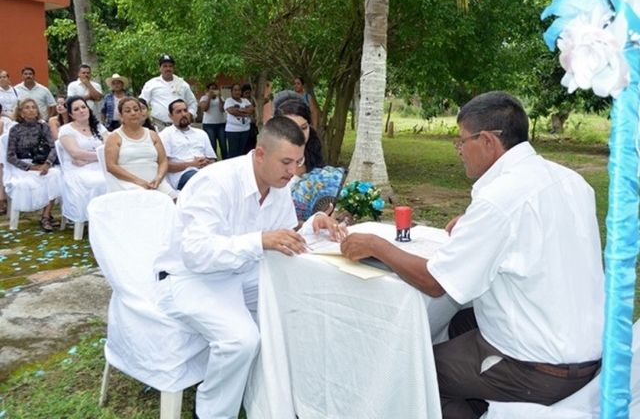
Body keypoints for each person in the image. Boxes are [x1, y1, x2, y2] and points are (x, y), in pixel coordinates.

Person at [340, 91, 604, 419]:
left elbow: (436, 283)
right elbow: (537, 237)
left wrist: (376, 245)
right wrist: (475, 227)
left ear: (489, 141)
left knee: (413, 373)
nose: (459, 151)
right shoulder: (572, 181)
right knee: (457, 321)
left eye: (462, 141)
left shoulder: (499, 199)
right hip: (589, 347)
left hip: (539, 366)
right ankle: (480, 402)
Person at [154, 116, 345, 419]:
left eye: (297, 161)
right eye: (286, 162)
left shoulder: (278, 184)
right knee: (240, 340)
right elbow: (196, 253)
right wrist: (259, 241)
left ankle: (276, 400)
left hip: (244, 273)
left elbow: (280, 236)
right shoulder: (214, 182)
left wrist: (311, 227)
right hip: (189, 278)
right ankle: (214, 414)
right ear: (259, 154)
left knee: (299, 311)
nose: (293, 171)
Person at [6, 98, 62, 231]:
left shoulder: (43, 127)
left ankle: (46, 215)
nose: (31, 110)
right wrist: (30, 168)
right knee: (26, 183)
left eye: (33, 107)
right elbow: (10, 156)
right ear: (21, 112)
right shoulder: (15, 129)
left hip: (42, 163)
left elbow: (54, 147)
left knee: (56, 175)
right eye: (27, 107)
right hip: (24, 166)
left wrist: (47, 164)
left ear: (37, 111)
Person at [104, 97, 176, 199]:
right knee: (144, 199)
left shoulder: (152, 134)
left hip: (155, 182)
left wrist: (159, 178)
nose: (133, 113)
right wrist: (139, 182)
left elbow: (163, 161)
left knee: (174, 201)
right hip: (127, 183)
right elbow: (111, 166)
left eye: (136, 109)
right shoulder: (114, 137)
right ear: (121, 116)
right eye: (128, 111)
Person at [58, 96, 108, 222]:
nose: (81, 110)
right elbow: (75, 153)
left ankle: (110, 217)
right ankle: (96, 217)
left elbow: (109, 148)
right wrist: (99, 154)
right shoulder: (66, 130)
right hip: (77, 170)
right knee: (98, 181)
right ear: (71, 114)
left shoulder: (99, 127)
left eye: (83, 107)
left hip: (100, 165)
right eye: (76, 109)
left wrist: (87, 157)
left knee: (115, 178)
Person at [159, 99, 216, 191]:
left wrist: (206, 162)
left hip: (205, 171)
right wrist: (192, 164)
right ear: (171, 116)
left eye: (185, 110)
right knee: (202, 182)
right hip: (182, 175)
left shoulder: (201, 133)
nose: (183, 114)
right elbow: (165, 165)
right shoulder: (165, 135)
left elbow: (212, 159)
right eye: (178, 112)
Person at [139, 54, 197, 131]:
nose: (168, 68)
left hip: (180, 126)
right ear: (160, 68)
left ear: (173, 68)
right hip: (159, 126)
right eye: (165, 66)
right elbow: (142, 103)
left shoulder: (182, 84)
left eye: (170, 66)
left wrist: (190, 114)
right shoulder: (151, 84)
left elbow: (192, 102)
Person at [224, 83, 254, 158]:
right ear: (231, 92)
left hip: (245, 130)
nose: (237, 92)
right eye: (235, 90)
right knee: (233, 154)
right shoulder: (229, 101)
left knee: (242, 152)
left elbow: (252, 110)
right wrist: (245, 112)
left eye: (239, 90)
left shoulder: (245, 100)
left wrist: (240, 110)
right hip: (233, 131)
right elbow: (232, 111)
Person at [199, 82, 227, 159]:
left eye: (215, 88)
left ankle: (225, 160)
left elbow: (222, 109)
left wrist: (220, 97)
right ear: (208, 90)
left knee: (223, 145)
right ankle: (213, 162)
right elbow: (204, 109)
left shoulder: (220, 98)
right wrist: (209, 97)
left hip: (221, 124)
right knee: (212, 145)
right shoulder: (204, 98)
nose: (214, 90)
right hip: (209, 125)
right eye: (212, 89)